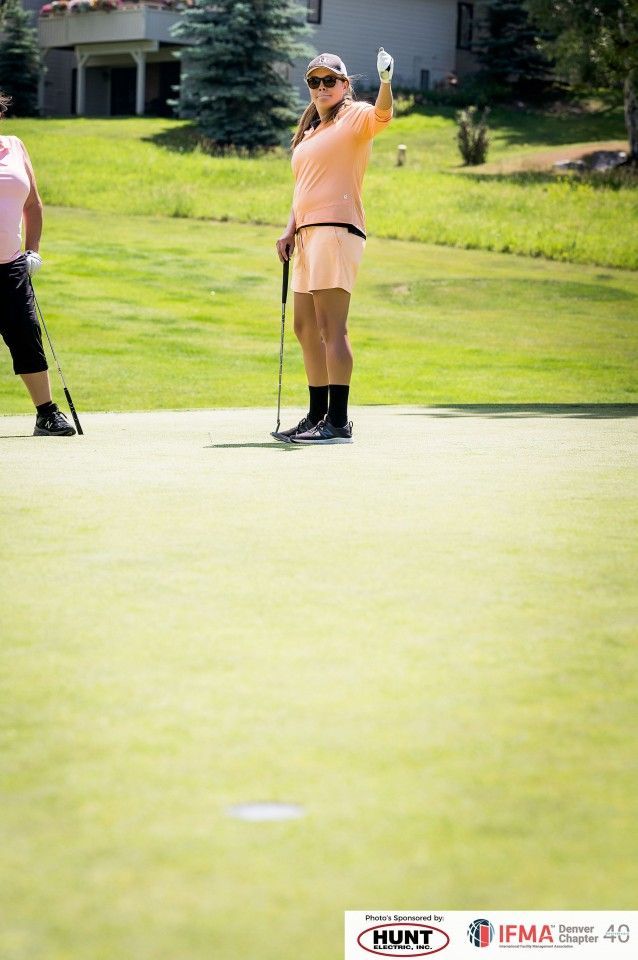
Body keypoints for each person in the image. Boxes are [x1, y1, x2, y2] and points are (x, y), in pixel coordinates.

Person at [274, 48, 394, 444]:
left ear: (344, 85)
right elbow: (303, 189)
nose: (321, 87)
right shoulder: (310, 131)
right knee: (306, 327)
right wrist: (289, 231)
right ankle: (316, 416)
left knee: (331, 328)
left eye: (330, 80)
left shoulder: (354, 115)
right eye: (314, 81)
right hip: (307, 235)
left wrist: (386, 82)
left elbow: (383, 116)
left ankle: (338, 422)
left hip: (336, 231)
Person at [0, 91, 75, 436]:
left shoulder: (15, 147)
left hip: (11, 266)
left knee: (27, 334)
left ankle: (46, 413)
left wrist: (33, 251)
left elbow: (33, 204)